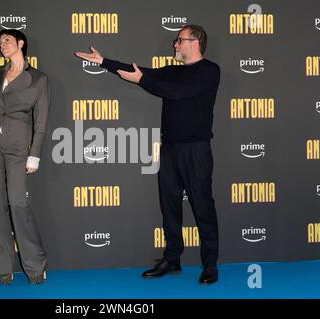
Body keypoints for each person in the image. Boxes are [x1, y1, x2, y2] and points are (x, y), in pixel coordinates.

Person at [75, 25, 220, 284]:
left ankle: (210, 265)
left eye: (180, 40)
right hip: (169, 149)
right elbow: (138, 71)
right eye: (176, 41)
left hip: (196, 149)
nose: (175, 45)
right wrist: (103, 62)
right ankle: (172, 258)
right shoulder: (173, 71)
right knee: (169, 206)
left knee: (203, 206)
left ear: (195, 42)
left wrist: (142, 80)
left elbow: (175, 92)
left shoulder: (210, 71)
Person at [0, 29, 50, 285]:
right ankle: (4, 266)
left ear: (21, 43)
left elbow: (41, 121)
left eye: (7, 40)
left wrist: (34, 155)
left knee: (17, 203)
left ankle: (35, 265)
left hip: (18, 146)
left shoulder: (37, 78)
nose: (2, 44)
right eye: (0, 42)